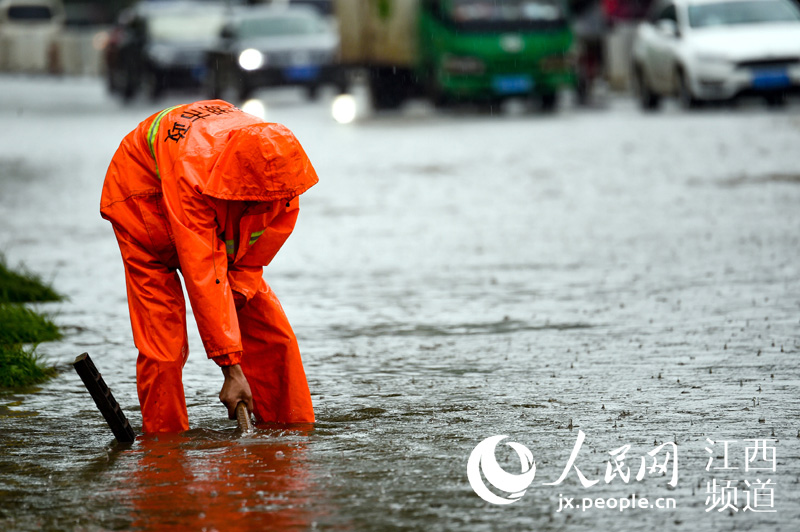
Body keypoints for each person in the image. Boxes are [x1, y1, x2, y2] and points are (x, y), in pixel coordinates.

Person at [100, 100, 317, 433]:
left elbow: (252, 256)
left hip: (214, 197)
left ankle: (291, 432)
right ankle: (166, 448)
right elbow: (202, 270)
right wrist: (231, 368)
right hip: (140, 199)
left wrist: (239, 296)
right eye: (261, 197)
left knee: (272, 333)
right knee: (164, 344)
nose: (273, 203)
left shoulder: (281, 176)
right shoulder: (194, 173)